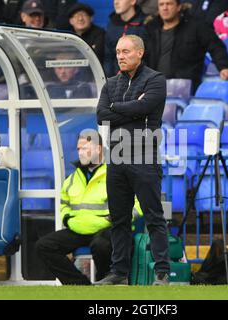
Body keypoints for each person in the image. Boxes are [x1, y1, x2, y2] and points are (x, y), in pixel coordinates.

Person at [95, 35, 170, 285]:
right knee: (119, 219)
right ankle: (119, 273)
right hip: (116, 157)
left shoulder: (156, 79)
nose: (120, 56)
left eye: (126, 51)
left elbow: (144, 107)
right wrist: (129, 108)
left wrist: (117, 108)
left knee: (153, 216)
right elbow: (101, 115)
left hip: (144, 156)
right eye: (117, 51)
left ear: (140, 52)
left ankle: (162, 272)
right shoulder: (110, 83)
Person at [36, 130, 114, 285]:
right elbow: (64, 204)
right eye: (79, 149)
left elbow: (135, 204)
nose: (81, 153)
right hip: (77, 230)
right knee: (43, 246)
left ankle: (105, 283)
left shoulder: (114, 176)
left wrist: (115, 219)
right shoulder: (72, 178)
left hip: (105, 229)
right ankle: (80, 286)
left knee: (101, 245)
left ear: (98, 149)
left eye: (85, 148)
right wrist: (67, 218)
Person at [145, 0, 228, 94]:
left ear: (179, 7)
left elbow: (216, 46)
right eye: (161, 4)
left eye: (169, 4)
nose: (165, 8)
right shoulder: (151, 28)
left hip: (185, 86)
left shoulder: (195, 26)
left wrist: (224, 67)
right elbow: (141, 56)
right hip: (155, 87)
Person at [104, 0, 147, 77]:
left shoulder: (146, 23)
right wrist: (110, 79)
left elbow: (149, 56)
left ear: (133, 1)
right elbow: (108, 57)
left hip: (140, 79)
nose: (116, 2)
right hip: (116, 81)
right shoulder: (111, 25)